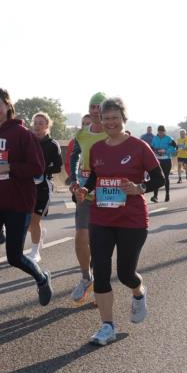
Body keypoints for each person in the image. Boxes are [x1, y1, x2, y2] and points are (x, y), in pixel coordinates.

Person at [75, 97, 161, 346]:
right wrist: (83, 190)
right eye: (106, 118)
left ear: (124, 119)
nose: (111, 122)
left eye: (115, 117)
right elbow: (94, 179)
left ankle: (138, 291)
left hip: (132, 220)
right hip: (101, 217)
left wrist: (139, 188)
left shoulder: (139, 146)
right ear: (100, 121)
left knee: (125, 274)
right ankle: (107, 326)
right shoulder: (98, 149)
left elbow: (159, 178)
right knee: (100, 272)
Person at [0, 88, 52, 329]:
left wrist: (9, 167)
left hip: (18, 203)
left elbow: (37, 168)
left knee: (15, 256)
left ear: (8, 107)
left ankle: (41, 277)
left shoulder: (22, 134)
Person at [68, 93, 109, 304]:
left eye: (99, 107)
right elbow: (74, 159)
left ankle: (100, 284)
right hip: (85, 193)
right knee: (81, 236)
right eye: (92, 106)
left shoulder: (115, 133)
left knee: (100, 242)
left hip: (109, 194)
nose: (95, 110)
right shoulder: (82, 134)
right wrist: (75, 182)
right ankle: (86, 278)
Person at [29, 112, 62, 263]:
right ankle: (40, 234)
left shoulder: (52, 145)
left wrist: (42, 169)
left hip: (43, 185)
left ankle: (35, 252)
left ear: (47, 126)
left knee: (34, 221)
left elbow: (57, 167)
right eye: (36, 123)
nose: (38, 125)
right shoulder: (27, 141)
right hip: (27, 185)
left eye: (41, 123)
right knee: (28, 222)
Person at [149, 125, 176, 202]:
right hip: (157, 160)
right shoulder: (155, 138)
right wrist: (155, 150)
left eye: (162, 132)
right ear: (157, 132)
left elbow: (174, 148)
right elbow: (152, 147)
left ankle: (167, 195)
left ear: (165, 131)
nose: (161, 133)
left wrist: (165, 151)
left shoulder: (169, 138)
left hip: (166, 160)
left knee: (166, 177)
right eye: (159, 132)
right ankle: (155, 196)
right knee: (156, 177)